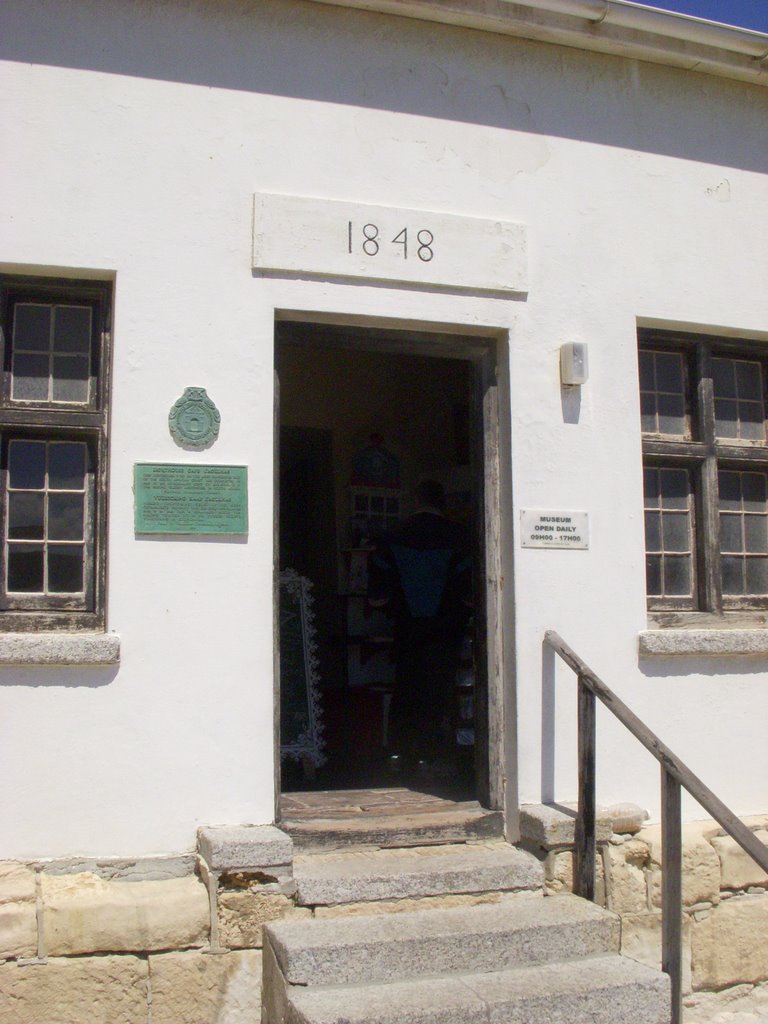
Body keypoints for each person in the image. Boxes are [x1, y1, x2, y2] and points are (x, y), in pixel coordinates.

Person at [368, 480, 471, 773]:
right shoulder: (461, 537)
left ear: (416, 501)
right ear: (444, 503)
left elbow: (377, 597)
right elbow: (470, 594)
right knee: (438, 688)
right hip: (446, 628)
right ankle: (430, 754)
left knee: (406, 685)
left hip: (407, 627)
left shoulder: (391, 536)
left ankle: (398, 753)